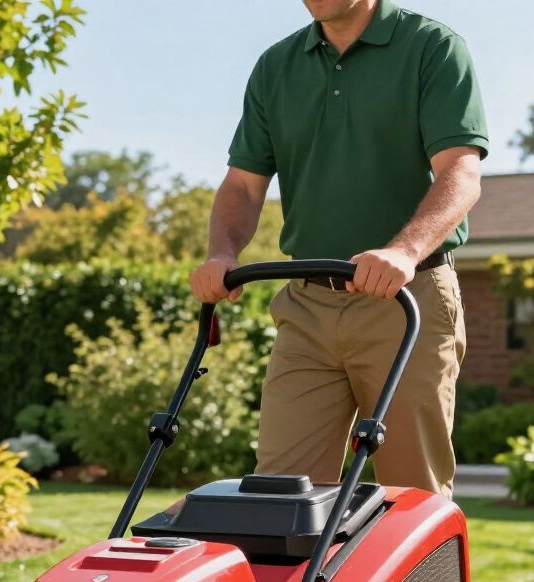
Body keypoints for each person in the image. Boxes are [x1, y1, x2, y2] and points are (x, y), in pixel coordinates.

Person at [190, 0, 488, 497]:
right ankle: (307, 580)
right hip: (306, 305)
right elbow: (243, 185)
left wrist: (404, 251)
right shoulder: (277, 66)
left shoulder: (431, 47)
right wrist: (222, 253)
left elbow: (461, 171)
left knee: (411, 495)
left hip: (406, 300)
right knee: (278, 495)